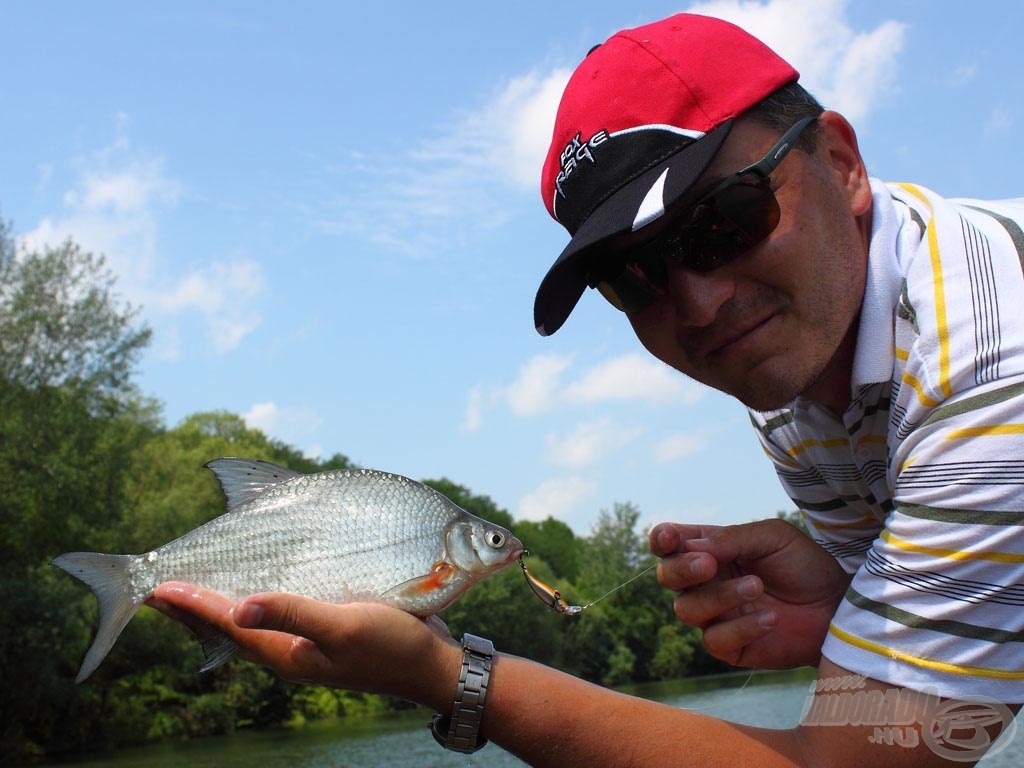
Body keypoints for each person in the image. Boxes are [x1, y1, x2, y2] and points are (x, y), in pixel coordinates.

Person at [151, 12, 1024, 766]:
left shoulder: (992, 378)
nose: (699, 303)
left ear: (841, 165)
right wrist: (847, 599)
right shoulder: (795, 367)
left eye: (725, 219)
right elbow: (959, 685)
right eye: (633, 279)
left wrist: (452, 680)